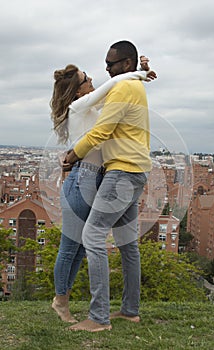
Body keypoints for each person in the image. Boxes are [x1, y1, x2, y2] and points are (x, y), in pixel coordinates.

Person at [50, 59, 156, 322]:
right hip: (82, 178)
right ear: (77, 90)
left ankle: (70, 302)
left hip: (98, 177)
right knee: (69, 246)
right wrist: (138, 73)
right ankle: (60, 301)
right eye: (87, 80)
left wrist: (140, 72)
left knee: (83, 246)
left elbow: (118, 97)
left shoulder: (91, 105)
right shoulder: (78, 106)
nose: (92, 81)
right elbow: (114, 83)